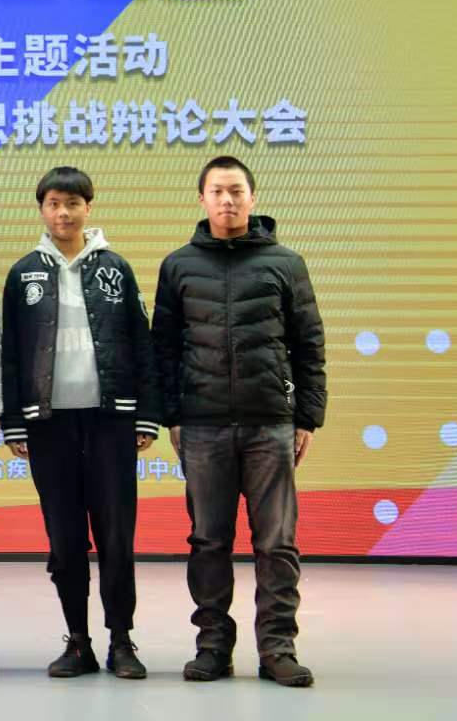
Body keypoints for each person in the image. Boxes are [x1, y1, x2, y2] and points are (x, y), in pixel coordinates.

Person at [152, 156, 326, 688]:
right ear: (202, 199)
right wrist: (172, 416)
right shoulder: (178, 265)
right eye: (217, 191)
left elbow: (308, 343)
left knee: (277, 543)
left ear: (253, 197)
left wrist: (307, 417)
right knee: (208, 541)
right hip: (202, 425)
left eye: (236, 191)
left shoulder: (286, 263)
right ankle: (212, 647)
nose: (227, 200)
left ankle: (278, 649)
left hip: (270, 423)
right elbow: (164, 348)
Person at [0, 167, 159, 680]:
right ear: (42, 210)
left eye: (72, 203)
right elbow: (11, 353)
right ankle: (78, 642)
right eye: (53, 203)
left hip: (111, 422)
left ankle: (122, 641)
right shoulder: (24, 273)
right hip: (49, 426)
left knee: (116, 535)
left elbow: (141, 343)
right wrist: (15, 422)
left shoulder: (116, 268)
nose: (63, 213)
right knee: (65, 539)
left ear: (89, 207)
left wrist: (147, 414)